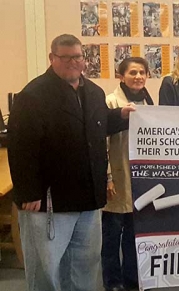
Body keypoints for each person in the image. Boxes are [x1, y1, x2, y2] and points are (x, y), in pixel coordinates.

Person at [7, 34, 135, 291]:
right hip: (48, 201)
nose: (72, 62)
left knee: (85, 265)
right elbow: (20, 147)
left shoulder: (94, 92)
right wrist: (28, 192)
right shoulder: (32, 95)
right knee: (47, 268)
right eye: (65, 58)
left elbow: (96, 125)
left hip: (88, 200)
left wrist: (120, 115)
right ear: (52, 58)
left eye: (77, 56)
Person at [103, 57, 154, 291]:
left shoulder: (149, 102)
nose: (138, 77)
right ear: (121, 76)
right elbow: (101, 143)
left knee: (136, 234)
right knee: (112, 235)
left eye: (142, 72)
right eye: (132, 72)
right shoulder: (110, 102)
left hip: (140, 179)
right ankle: (113, 281)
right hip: (118, 178)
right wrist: (108, 176)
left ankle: (133, 278)